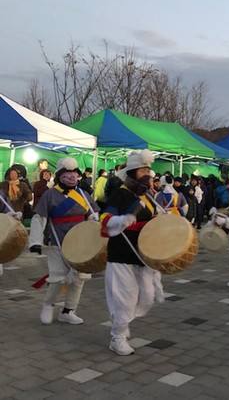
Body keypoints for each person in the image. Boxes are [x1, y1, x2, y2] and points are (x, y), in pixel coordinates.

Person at [100, 149, 164, 356]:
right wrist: (122, 220)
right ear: (133, 173)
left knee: (146, 296)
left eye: (149, 170)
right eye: (144, 170)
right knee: (125, 298)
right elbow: (105, 219)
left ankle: (121, 318)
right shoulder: (121, 193)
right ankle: (117, 336)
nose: (148, 174)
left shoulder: (148, 196)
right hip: (121, 253)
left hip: (143, 254)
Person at [28, 157, 100, 326]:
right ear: (60, 175)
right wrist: (35, 241)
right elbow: (39, 218)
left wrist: (94, 222)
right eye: (67, 173)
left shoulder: (83, 193)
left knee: (79, 277)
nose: (71, 177)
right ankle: (48, 304)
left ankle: (69, 311)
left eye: (74, 173)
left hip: (79, 242)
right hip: (57, 239)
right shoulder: (50, 194)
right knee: (57, 277)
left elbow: (91, 214)